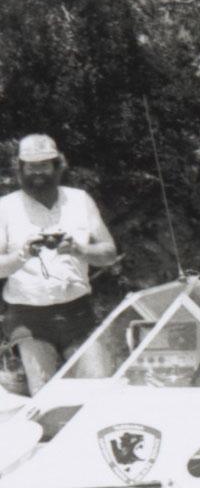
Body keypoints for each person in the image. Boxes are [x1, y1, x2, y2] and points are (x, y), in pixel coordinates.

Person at [0, 134, 117, 393]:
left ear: (58, 166)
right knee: (45, 395)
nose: (38, 172)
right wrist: (23, 255)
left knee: (98, 387)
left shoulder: (80, 200)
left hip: (78, 313)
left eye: (44, 165)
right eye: (31, 166)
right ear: (20, 169)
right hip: (28, 317)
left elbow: (109, 253)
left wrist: (79, 249)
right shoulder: (5, 208)